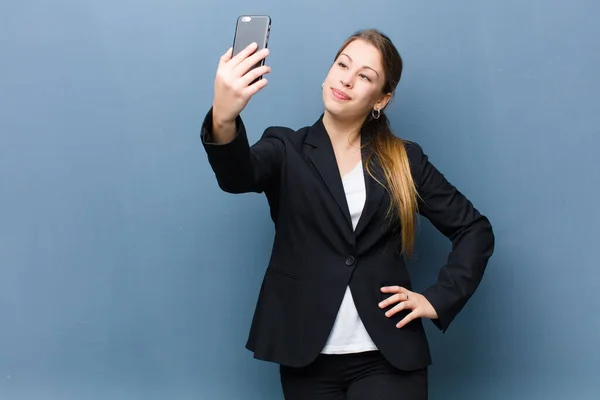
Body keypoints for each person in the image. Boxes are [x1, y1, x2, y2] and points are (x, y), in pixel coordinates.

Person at [200, 29, 495, 400]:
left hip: (389, 358)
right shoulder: (285, 148)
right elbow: (236, 175)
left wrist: (437, 298)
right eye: (343, 65)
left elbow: (474, 230)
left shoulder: (405, 160)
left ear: (382, 99)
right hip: (305, 356)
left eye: (365, 76)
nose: (347, 79)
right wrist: (223, 117)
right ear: (328, 72)